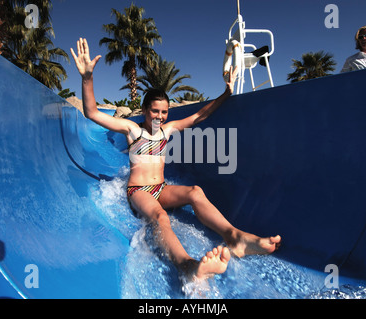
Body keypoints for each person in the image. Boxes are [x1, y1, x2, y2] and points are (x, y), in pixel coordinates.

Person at [70, 38, 281, 282]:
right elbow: (92, 112)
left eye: (164, 111)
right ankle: (187, 265)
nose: (159, 116)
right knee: (160, 216)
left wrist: (226, 93)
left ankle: (235, 237)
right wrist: (87, 77)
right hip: (139, 191)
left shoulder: (166, 130)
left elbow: (199, 116)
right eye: (154, 111)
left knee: (195, 191)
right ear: (145, 109)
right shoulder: (131, 130)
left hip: (161, 188)